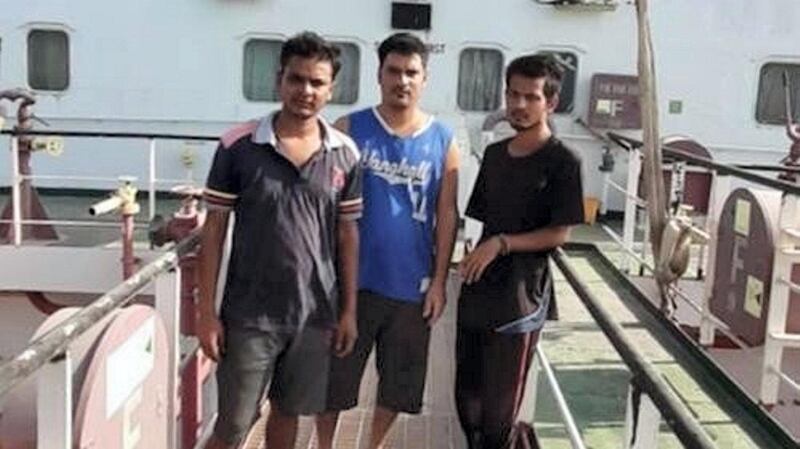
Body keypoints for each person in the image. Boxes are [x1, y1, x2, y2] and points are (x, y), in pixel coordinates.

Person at [197, 31, 362, 449]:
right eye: (297, 79)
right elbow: (214, 230)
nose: (305, 90)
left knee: (288, 415)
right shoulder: (238, 145)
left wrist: (348, 312)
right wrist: (206, 313)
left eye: (317, 82)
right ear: (280, 80)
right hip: (249, 315)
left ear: (331, 89)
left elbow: (347, 234)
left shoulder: (345, 154)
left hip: (313, 315)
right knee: (234, 424)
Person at [315, 32, 459, 449]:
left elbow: (446, 214)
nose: (403, 80)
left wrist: (438, 282)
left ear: (425, 78)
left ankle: (372, 444)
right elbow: (325, 205)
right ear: (379, 74)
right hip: (351, 284)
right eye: (394, 71)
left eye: (412, 72)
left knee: (400, 385)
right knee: (334, 380)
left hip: (410, 287)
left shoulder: (443, 141)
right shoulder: (348, 129)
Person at [455, 54, 584, 449]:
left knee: (498, 412)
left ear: (551, 103)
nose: (519, 105)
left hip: (520, 299)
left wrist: (503, 242)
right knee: (467, 401)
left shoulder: (563, 161)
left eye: (531, 97)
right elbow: (479, 219)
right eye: (513, 95)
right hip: (478, 292)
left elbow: (560, 232)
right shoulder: (495, 155)